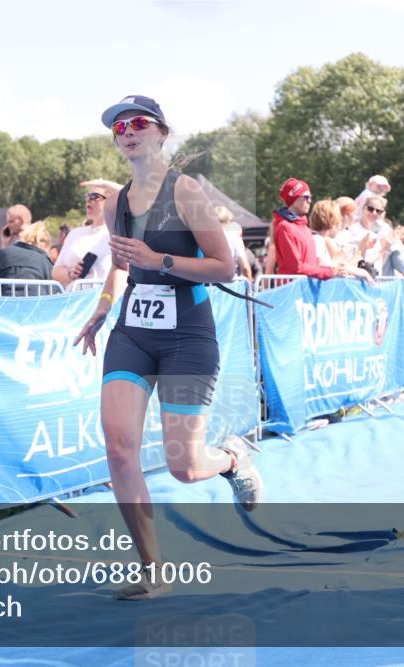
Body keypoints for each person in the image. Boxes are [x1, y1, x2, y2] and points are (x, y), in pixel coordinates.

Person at [73, 95, 262, 601]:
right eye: (119, 127)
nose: (127, 131)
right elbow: (120, 263)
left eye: (138, 123)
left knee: (184, 466)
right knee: (118, 448)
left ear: (160, 133)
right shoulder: (114, 203)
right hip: (132, 332)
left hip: (187, 336)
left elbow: (224, 266)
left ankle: (231, 459)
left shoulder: (188, 193)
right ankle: (151, 566)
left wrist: (160, 261)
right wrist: (103, 307)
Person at [52, 185, 114, 289]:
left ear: (111, 202)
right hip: (74, 300)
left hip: (102, 300)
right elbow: (56, 271)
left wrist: (104, 183)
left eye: (95, 196)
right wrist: (70, 273)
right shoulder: (75, 234)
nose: (89, 200)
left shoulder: (116, 233)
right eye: (88, 196)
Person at [0, 220, 54, 296]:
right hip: (34, 307)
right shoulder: (45, 261)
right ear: (44, 244)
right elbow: (55, 293)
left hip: (4, 305)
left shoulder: (6, 253)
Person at [214, 206, 253, 281]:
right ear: (229, 220)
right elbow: (245, 267)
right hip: (229, 283)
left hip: (208, 283)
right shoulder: (234, 238)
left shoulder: (204, 237)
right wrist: (250, 286)